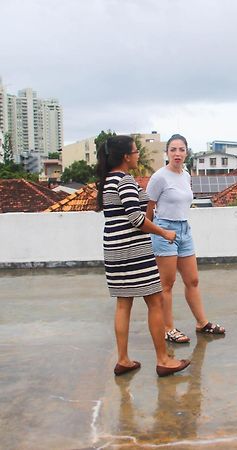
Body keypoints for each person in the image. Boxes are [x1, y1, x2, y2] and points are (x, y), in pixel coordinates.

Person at [95, 135, 190, 376]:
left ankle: (124, 359)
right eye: (136, 151)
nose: (138, 155)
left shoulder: (107, 180)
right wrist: (163, 232)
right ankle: (163, 360)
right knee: (155, 301)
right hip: (133, 251)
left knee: (123, 303)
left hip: (114, 249)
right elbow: (136, 219)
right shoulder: (124, 180)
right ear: (126, 156)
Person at [146, 134, 225, 343]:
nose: (177, 154)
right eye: (173, 149)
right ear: (167, 153)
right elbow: (149, 208)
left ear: (187, 152)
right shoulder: (159, 177)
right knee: (167, 284)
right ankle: (168, 328)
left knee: (193, 280)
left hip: (184, 230)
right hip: (164, 230)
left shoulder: (186, 175)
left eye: (181, 149)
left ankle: (202, 322)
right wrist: (154, 232)